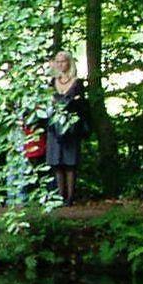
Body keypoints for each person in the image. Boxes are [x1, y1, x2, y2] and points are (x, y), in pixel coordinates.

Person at [44, 54, 89, 205]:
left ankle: (70, 197)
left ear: (69, 63)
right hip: (54, 127)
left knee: (70, 163)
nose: (60, 64)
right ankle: (59, 196)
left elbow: (82, 105)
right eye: (58, 61)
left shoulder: (77, 83)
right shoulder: (51, 82)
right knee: (57, 163)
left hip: (71, 127)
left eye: (63, 61)